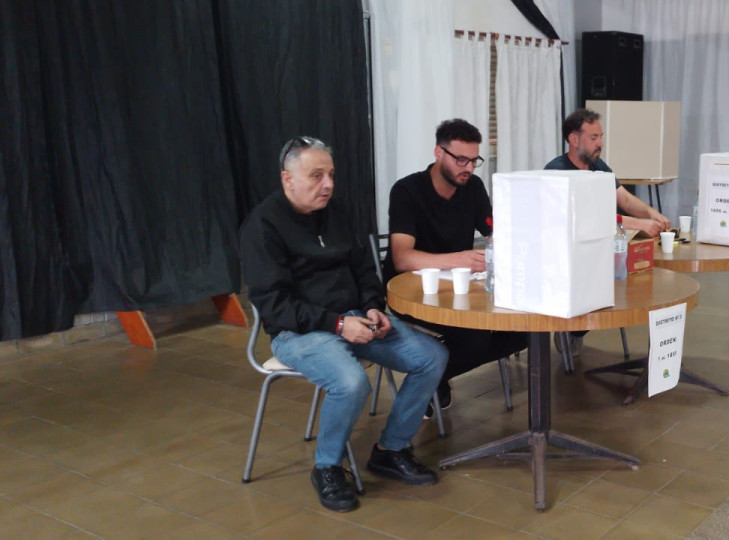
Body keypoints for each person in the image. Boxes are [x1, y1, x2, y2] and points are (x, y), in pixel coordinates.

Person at [241, 136, 448, 513]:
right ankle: (327, 468)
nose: (328, 184)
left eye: (331, 175)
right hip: (298, 332)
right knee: (351, 383)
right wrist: (338, 324)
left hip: (353, 318)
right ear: (288, 179)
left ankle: (391, 449)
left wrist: (372, 307)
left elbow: (364, 269)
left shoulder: (337, 212)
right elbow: (275, 306)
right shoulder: (262, 226)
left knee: (432, 356)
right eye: (316, 176)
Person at [386, 119, 528, 414]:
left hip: (461, 290)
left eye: (474, 161)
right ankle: (429, 378)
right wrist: (460, 259)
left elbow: (494, 232)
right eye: (461, 160)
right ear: (439, 153)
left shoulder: (472, 187)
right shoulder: (407, 191)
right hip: (415, 293)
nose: (469, 168)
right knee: (475, 339)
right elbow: (402, 258)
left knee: (524, 330)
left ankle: (433, 376)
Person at [544, 109, 672, 356]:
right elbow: (587, 217)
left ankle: (579, 328)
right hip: (568, 253)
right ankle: (572, 330)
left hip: (600, 246)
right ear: (573, 139)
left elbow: (623, 198)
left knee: (636, 276)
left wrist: (650, 213)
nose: (600, 144)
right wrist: (639, 224)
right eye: (593, 138)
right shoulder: (557, 171)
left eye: (600, 137)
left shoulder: (597, 166)